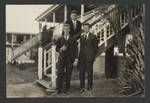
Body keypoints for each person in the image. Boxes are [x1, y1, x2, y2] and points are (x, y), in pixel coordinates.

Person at [55, 23, 77, 94]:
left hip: (70, 59)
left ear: (69, 30)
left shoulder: (73, 38)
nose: (66, 30)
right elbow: (56, 48)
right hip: (61, 59)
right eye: (65, 29)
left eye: (68, 29)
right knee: (60, 73)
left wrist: (76, 59)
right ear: (63, 30)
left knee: (68, 74)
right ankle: (59, 89)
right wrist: (60, 49)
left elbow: (76, 49)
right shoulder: (60, 38)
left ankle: (67, 89)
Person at [78, 23, 98, 93]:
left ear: (89, 28)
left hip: (89, 58)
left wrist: (92, 56)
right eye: (84, 28)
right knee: (81, 73)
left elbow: (96, 48)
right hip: (82, 58)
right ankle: (82, 87)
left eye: (87, 28)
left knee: (89, 73)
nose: (85, 29)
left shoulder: (93, 36)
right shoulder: (82, 36)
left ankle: (89, 86)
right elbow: (81, 48)